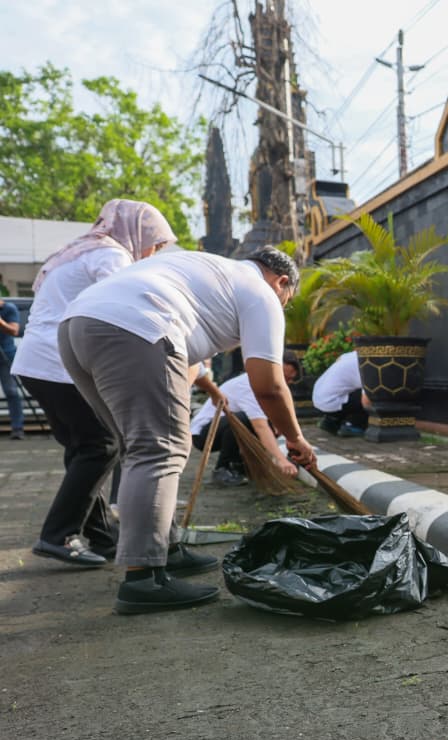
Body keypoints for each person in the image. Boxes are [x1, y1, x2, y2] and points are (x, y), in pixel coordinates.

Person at [59, 245, 317, 614]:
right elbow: (270, 386)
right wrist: (295, 439)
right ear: (281, 281)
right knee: (158, 451)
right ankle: (143, 578)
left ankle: (165, 546)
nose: (283, 305)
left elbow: (188, 365)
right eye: (287, 299)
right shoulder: (261, 292)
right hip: (135, 327)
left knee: (138, 449)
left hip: (77, 327)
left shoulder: (206, 268)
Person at [12, 199, 190, 568]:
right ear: (136, 232)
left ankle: (101, 535)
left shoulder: (80, 252)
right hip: (57, 363)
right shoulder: (110, 257)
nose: (154, 253)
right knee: (102, 445)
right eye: (155, 244)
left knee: (84, 448)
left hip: (37, 361)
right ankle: (57, 534)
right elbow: (123, 308)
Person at [191, 350, 302, 485]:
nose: (286, 383)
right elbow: (260, 426)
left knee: (268, 425)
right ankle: (224, 468)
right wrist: (280, 460)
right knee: (244, 419)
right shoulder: (250, 384)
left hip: (226, 426)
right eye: (283, 378)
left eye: (290, 380)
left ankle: (242, 465)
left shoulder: (269, 387)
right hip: (204, 434)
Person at [312, 350, 369, 437]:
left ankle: (331, 420)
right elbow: (366, 402)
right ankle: (352, 424)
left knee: (350, 390)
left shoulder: (352, 355)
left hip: (317, 399)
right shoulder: (366, 363)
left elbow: (339, 359)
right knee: (371, 395)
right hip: (330, 402)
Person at [0, 297, 23, 440]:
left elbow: (14, 331)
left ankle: (17, 428)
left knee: (11, 391)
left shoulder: (9, 308)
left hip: (6, 354)